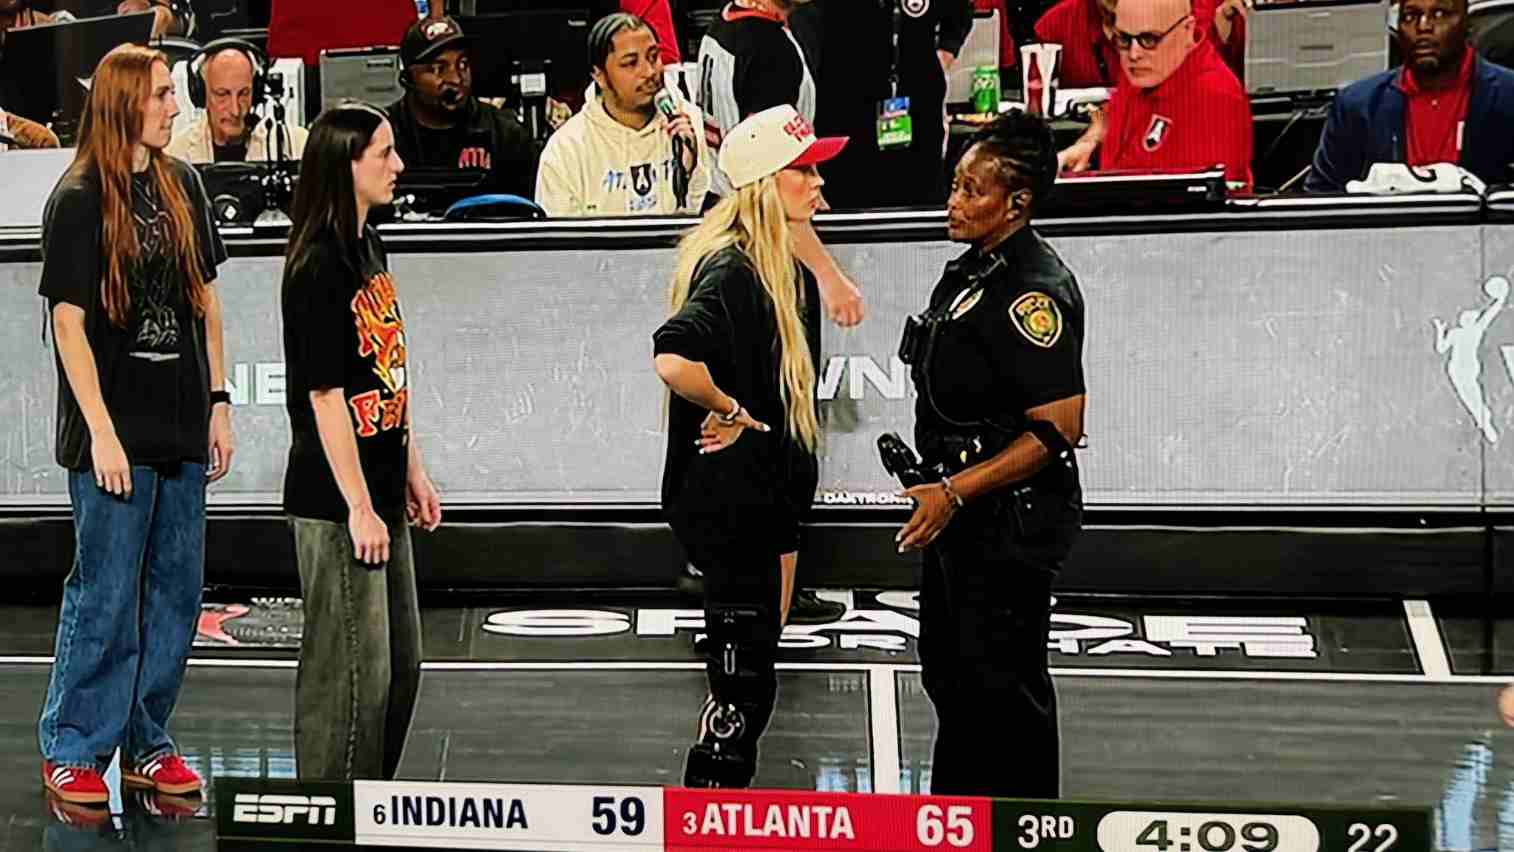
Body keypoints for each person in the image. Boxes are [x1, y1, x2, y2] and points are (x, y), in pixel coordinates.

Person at [36, 43, 232, 804]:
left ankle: (148, 740)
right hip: (112, 436)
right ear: (124, 102)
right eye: (160, 94)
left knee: (177, 593)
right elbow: (69, 325)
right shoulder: (80, 196)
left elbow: (206, 303)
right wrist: (103, 431)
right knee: (106, 593)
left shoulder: (183, 184)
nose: (173, 106)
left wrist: (219, 401)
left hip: (182, 424)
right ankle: (76, 746)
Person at [654, 104, 846, 787]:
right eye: (806, 172)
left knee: (757, 672)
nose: (820, 185)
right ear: (769, 185)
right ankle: (709, 808)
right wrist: (728, 406)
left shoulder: (781, 257)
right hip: (732, 504)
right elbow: (674, 357)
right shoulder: (733, 271)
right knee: (740, 693)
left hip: (770, 502)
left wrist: (831, 276)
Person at [895, 110, 1083, 798]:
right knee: (951, 676)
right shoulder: (976, 267)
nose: (955, 201)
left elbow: (1059, 425)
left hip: (1009, 522)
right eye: (955, 186)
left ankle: (1024, 827)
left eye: (973, 191)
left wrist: (957, 490)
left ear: (1017, 204)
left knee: (1004, 690)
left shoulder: (1035, 292)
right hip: (962, 514)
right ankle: (959, 821)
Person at [280, 100, 443, 781]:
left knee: (400, 668)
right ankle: (332, 815)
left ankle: (370, 803)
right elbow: (325, 396)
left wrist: (414, 470)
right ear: (345, 165)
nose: (399, 165)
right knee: (350, 681)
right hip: (337, 501)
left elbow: (385, 374)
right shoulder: (317, 265)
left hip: (378, 488)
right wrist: (357, 505)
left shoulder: (369, 244)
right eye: (384, 154)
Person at [695, 0, 861, 624]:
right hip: (766, 251)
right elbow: (773, 184)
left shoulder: (726, 33)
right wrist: (828, 272)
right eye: (809, 170)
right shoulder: (765, 48)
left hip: (748, 233)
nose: (818, 181)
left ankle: (756, 603)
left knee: (773, 445)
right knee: (777, 440)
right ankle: (752, 608)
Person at [1306, 0, 1514, 193]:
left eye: (1440, 14)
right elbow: (1320, 198)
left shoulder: (1508, 95)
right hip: (1386, 231)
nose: (1423, 27)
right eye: (1410, 16)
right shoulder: (1357, 105)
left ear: (1467, 25)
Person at [789, 0, 974, 209]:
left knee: (921, 195)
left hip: (918, 104)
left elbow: (960, 11)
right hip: (845, 104)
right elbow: (801, 20)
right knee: (849, 196)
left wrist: (946, 52)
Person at [1057, 0, 1254, 191]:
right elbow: (1113, 111)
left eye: (1150, 39)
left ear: (1187, 29)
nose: (1134, 54)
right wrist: (1089, 141)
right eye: (1124, 39)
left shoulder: (1214, 100)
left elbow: (1192, 211)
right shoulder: (1146, 68)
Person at [536, 13, 710, 216]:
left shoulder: (685, 123)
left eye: (654, 57)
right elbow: (561, 243)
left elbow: (702, 226)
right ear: (599, 75)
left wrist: (688, 174)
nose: (649, 71)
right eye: (630, 63)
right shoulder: (566, 149)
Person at [386, 16, 538, 200]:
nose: (456, 79)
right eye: (438, 69)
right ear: (408, 78)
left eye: (463, 64)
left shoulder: (506, 135)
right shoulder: (383, 137)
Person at [166, 40, 309, 164]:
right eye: (222, 94)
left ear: (257, 92)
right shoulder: (175, 155)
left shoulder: (295, 145)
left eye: (243, 94)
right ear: (202, 94)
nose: (235, 110)